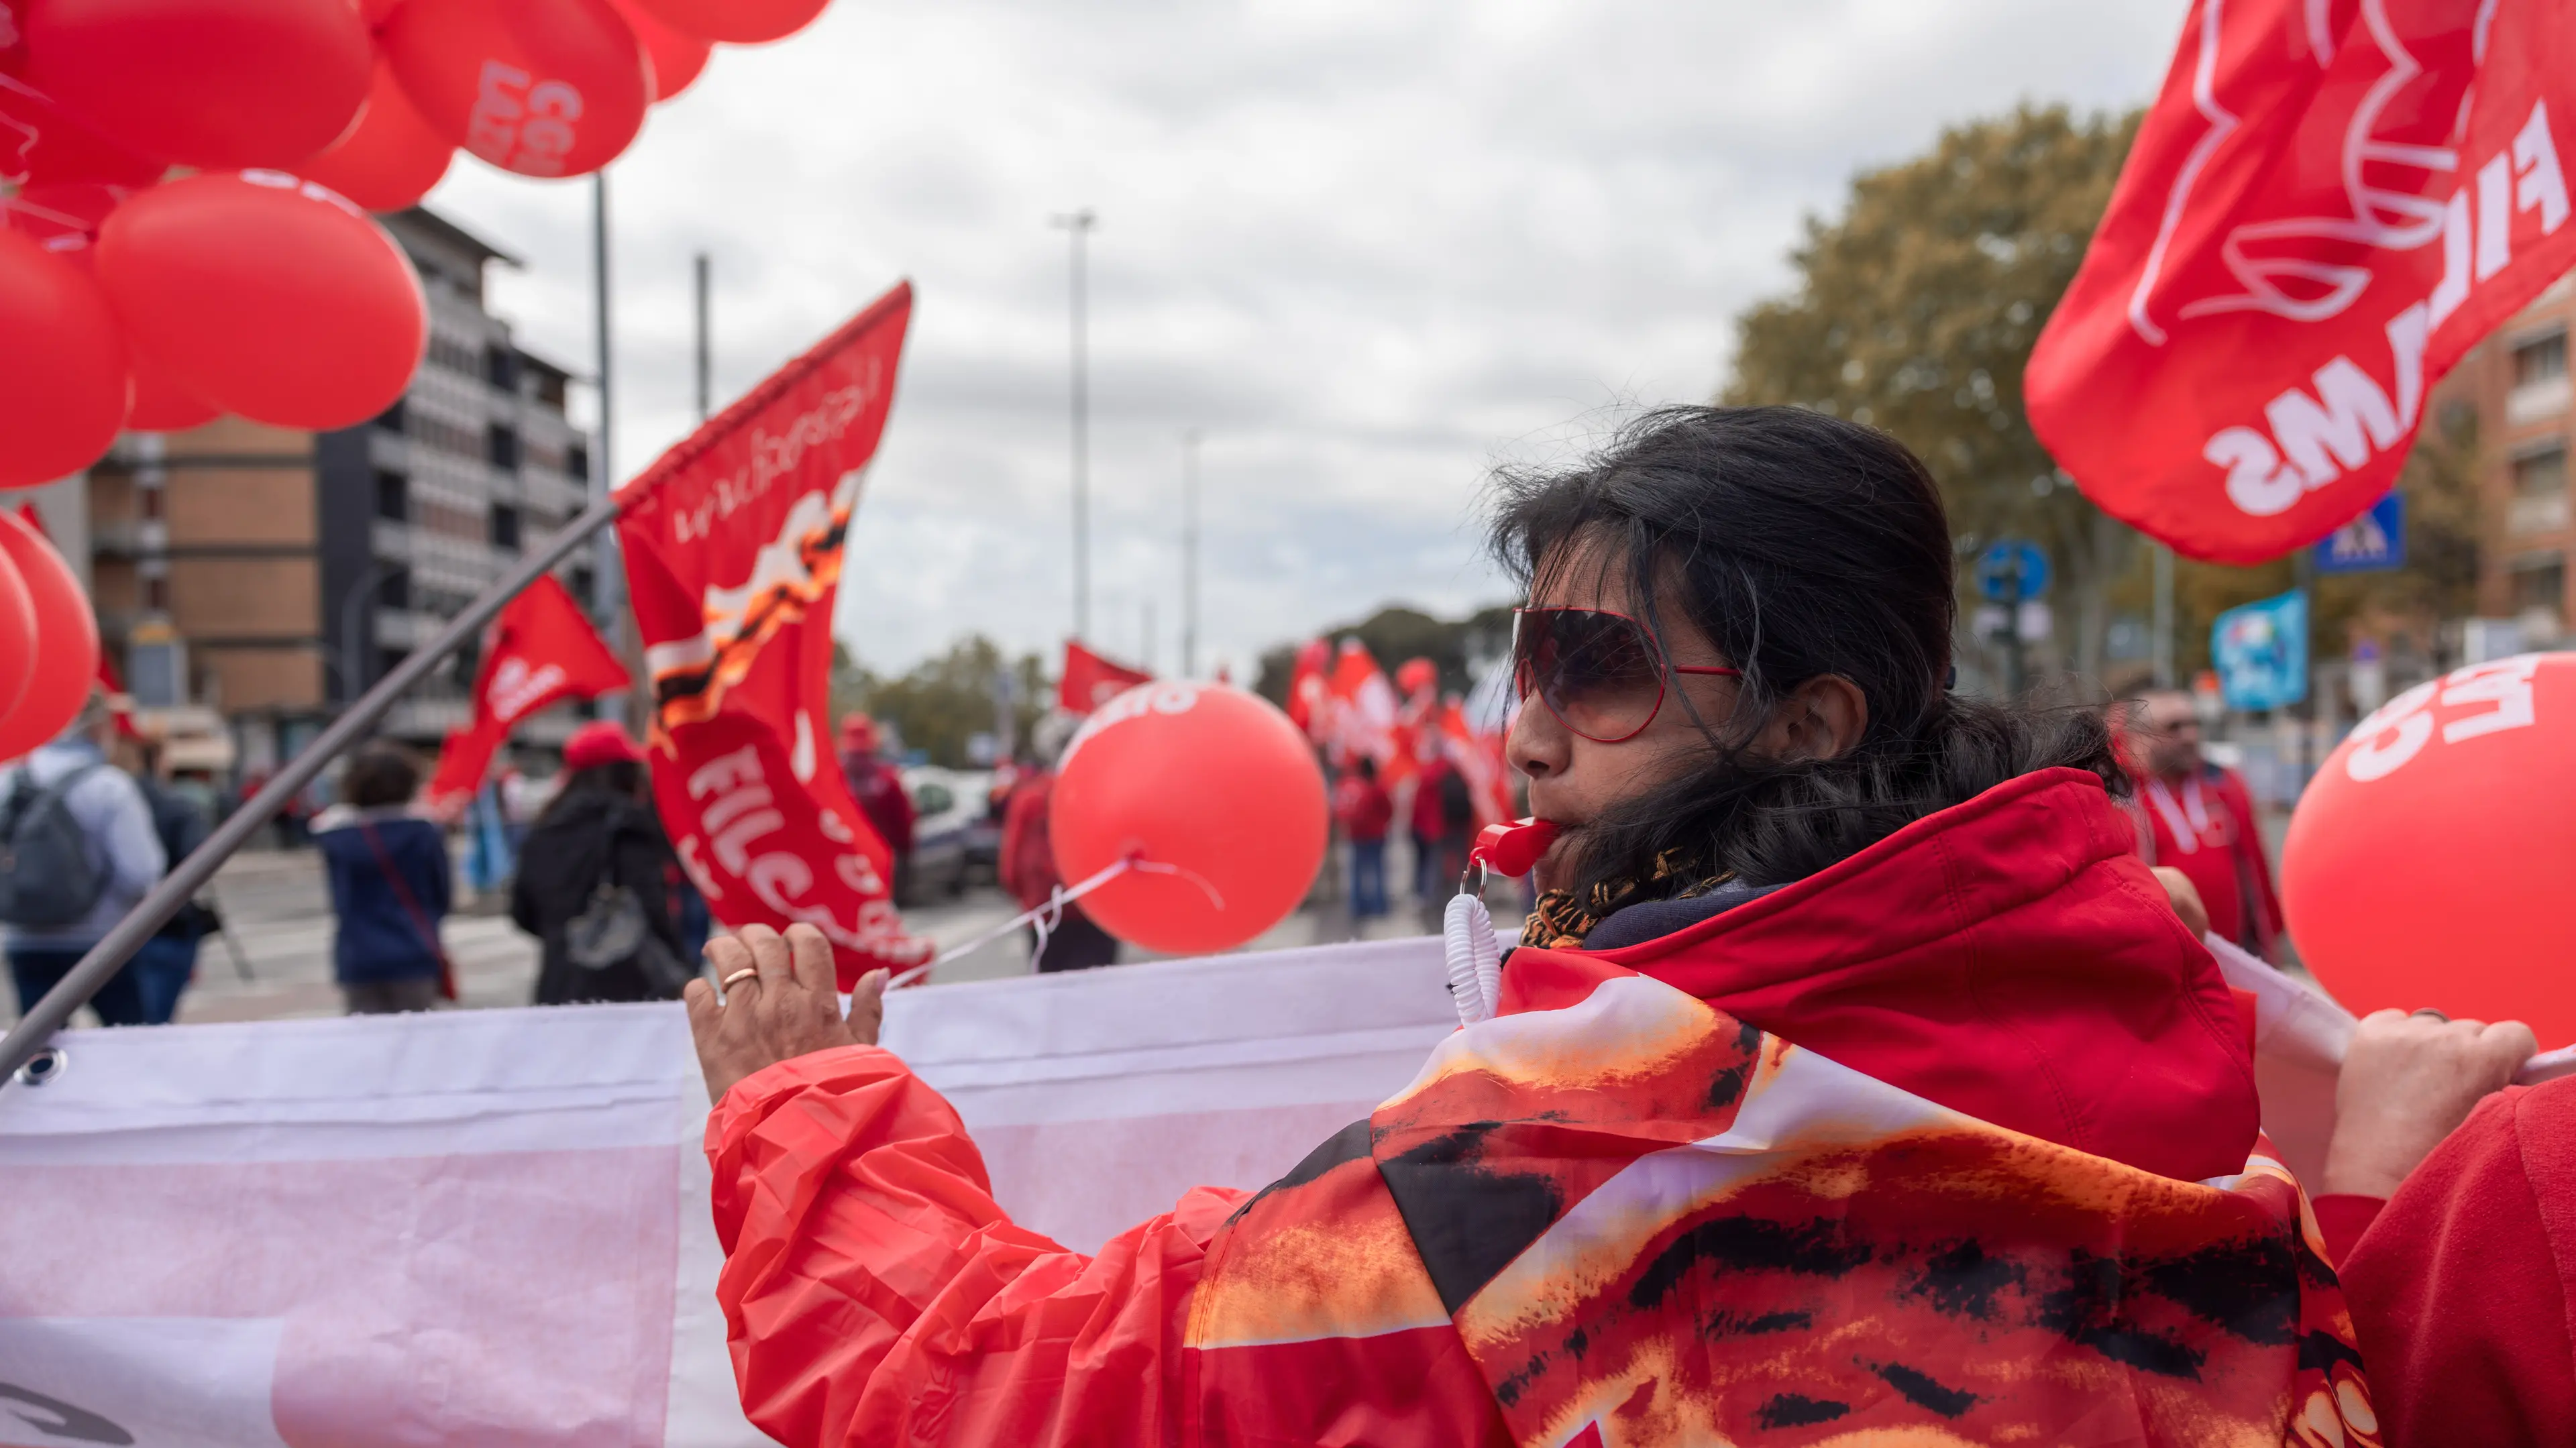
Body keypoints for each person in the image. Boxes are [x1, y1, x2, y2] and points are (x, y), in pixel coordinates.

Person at [676, 408, 2381, 1444]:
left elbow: (1008, 1395)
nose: (1527, 731)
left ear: (1810, 722)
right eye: (1527, 657)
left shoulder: (1589, 1136)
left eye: (1603, 667)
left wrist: (800, 1104)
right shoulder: (2132, 974)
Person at [0, 694, 167, 1026]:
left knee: (38, 1051)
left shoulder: (7, 782)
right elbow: (140, 871)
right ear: (97, 728)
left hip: (25, 936)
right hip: (103, 941)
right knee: (128, 1044)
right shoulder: (109, 787)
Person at [511, 721, 692, 1005]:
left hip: (559, 983)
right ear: (622, 771)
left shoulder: (543, 828)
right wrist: (679, 964)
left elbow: (522, 912)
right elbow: (653, 904)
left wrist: (568, 934)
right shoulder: (626, 825)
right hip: (628, 985)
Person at [2121, 688, 2284, 958]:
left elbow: (2256, 866)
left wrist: (2270, 939)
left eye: (2194, 724)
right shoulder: (2118, 795)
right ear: (2139, 736)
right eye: (2174, 727)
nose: (2190, 736)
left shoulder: (2224, 783)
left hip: (2236, 955)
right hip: (2161, 957)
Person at [313, 744, 451, 1014]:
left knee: (367, 1045)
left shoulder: (337, 838)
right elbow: (441, 895)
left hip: (358, 955)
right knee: (418, 1041)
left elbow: (340, 897)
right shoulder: (425, 834)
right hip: (414, 949)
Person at [996, 714, 1118, 973]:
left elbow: (1011, 863)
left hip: (1046, 910)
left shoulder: (1030, 797)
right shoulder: (1101, 792)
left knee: (1051, 996)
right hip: (1097, 911)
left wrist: (1027, 900)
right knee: (1099, 994)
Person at [112, 730, 214, 1025]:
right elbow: (198, 865)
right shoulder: (179, 807)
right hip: (168, 923)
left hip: (111, 926)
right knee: (154, 1023)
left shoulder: (100, 797)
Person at [838, 714, 916, 900]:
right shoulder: (887, 780)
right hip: (876, 863)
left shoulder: (835, 780)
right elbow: (904, 826)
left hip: (852, 864)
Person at [1330, 755, 1392, 921]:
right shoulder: (1378, 787)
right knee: (1378, 870)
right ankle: (1379, 905)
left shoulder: (1354, 788)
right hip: (1376, 835)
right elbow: (1388, 809)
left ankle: (1357, 906)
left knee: (1357, 872)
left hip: (1357, 835)